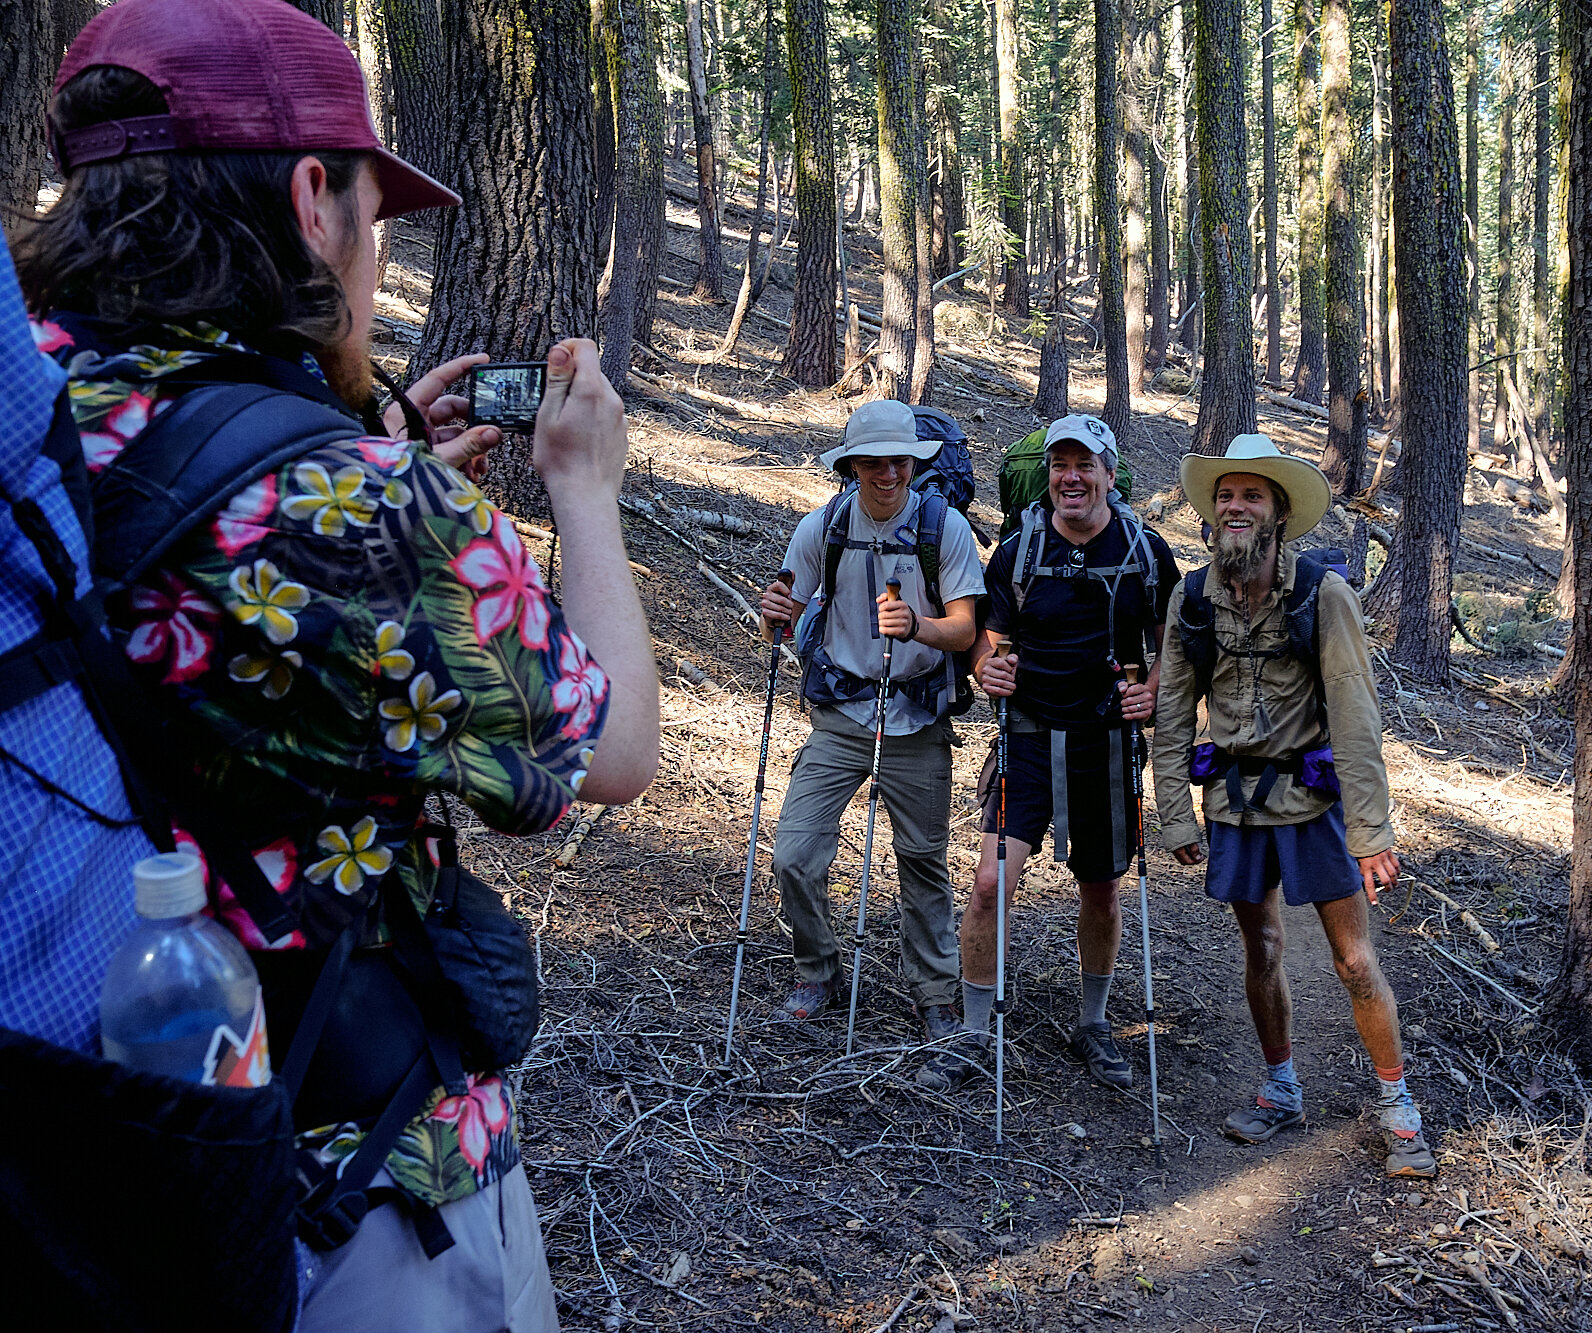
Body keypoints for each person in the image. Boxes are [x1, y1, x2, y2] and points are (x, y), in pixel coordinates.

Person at [11, 0, 661, 1323]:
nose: (376, 260)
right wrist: (583, 490)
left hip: (73, 1151)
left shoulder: (28, 422)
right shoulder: (363, 513)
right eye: (375, 212)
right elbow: (615, 747)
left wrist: (347, 455)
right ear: (313, 200)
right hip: (347, 1186)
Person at [1152, 434, 1435, 1179]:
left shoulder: (1323, 594)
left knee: (1351, 958)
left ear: (1279, 513)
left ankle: (1397, 1105)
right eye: (1226, 495)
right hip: (1235, 807)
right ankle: (1281, 1088)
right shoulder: (1191, 599)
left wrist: (1372, 832)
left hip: (1315, 807)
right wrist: (1176, 815)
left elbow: (1355, 717)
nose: (1236, 506)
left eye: (1252, 495)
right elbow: (1175, 711)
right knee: (1263, 950)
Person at [934, 414, 1180, 1093]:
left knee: (1100, 889)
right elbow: (990, 634)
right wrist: (990, 668)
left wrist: (1152, 694)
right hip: (1030, 736)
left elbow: (1173, 639)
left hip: (1105, 742)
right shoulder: (1019, 548)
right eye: (1059, 465)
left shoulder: (1143, 549)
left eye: (1083, 465)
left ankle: (1093, 1021)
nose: (1070, 477)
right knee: (989, 884)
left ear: (1108, 473)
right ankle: (975, 1030)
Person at [755, 400, 982, 1044]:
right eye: (875, 462)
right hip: (842, 714)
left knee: (921, 862)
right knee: (795, 855)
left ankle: (935, 991)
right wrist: (772, 612)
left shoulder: (946, 530)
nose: (889, 474)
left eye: (900, 461)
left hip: (917, 716)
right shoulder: (823, 528)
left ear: (916, 462)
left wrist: (918, 626)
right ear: (852, 466)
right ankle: (818, 969)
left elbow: (965, 627)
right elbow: (784, 613)